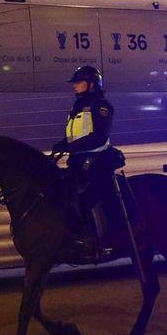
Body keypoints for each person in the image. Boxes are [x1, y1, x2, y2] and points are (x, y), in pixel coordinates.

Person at [51, 65, 121, 261]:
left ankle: (98, 241)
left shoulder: (102, 106)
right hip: (79, 161)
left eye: (79, 82)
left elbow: (99, 138)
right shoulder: (78, 107)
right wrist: (62, 145)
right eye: (75, 83)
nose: (75, 86)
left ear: (92, 85)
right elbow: (76, 136)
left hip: (97, 163)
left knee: (88, 196)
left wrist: (71, 147)